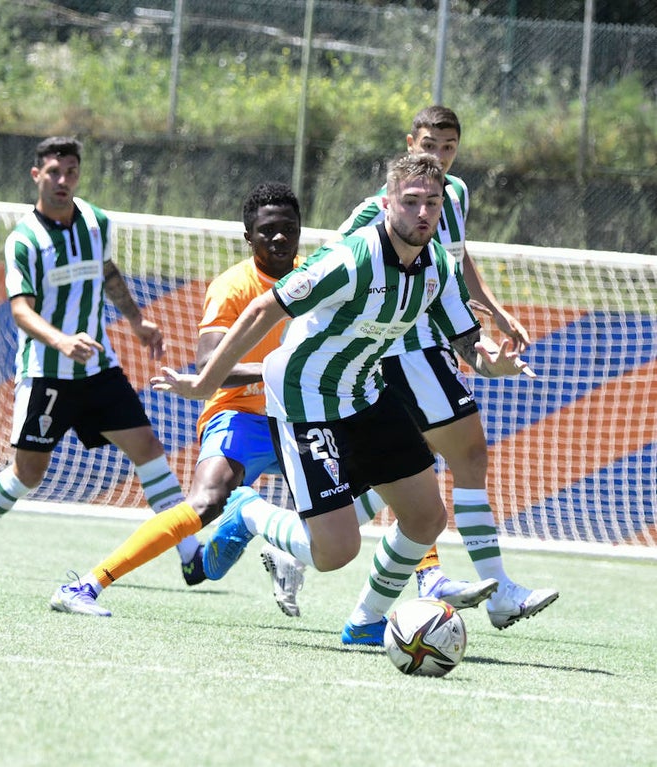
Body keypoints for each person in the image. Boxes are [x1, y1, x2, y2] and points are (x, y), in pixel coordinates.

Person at [152, 153, 535, 646]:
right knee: (334, 552)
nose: (422, 213)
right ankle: (247, 510)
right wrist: (208, 381)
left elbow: (467, 341)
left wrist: (489, 364)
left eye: (432, 203)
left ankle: (367, 622)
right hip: (304, 400)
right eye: (411, 201)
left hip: (364, 392)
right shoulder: (352, 259)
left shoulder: (438, 264)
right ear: (387, 204)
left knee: (426, 518)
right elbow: (264, 307)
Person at [224, 106, 558, 631]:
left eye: (447, 149)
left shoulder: (454, 196)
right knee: (454, 460)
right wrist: (206, 379)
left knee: (421, 486)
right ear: (409, 147)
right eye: (429, 146)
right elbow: (320, 276)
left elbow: (456, 257)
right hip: (374, 360)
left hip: (399, 363)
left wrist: (490, 315)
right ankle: (448, 579)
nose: (437, 159)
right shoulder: (368, 224)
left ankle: (378, 606)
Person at [0, 136, 201, 582]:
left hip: (99, 369)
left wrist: (138, 322)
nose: (63, 181)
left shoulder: (97, 223)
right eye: (54, 172)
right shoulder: (24, 239)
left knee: (149, 449)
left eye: (71, 172)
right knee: (28, 473)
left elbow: (107, 271)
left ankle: (192, 554)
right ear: (36, 175)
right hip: (47, 375)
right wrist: (61, 342)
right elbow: (21, 309)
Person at [48, 181, 305, 616]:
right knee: (206, 503)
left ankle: (396, 601)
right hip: (240, 413)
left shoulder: (315, 276)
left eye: (289, 229)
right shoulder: (233, 288)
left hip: (301, 419)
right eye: (267, 231)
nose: (279, 238)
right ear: (249, 238)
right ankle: (88, 586)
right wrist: (276, 371)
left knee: (383, 473)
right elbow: (210, 368)